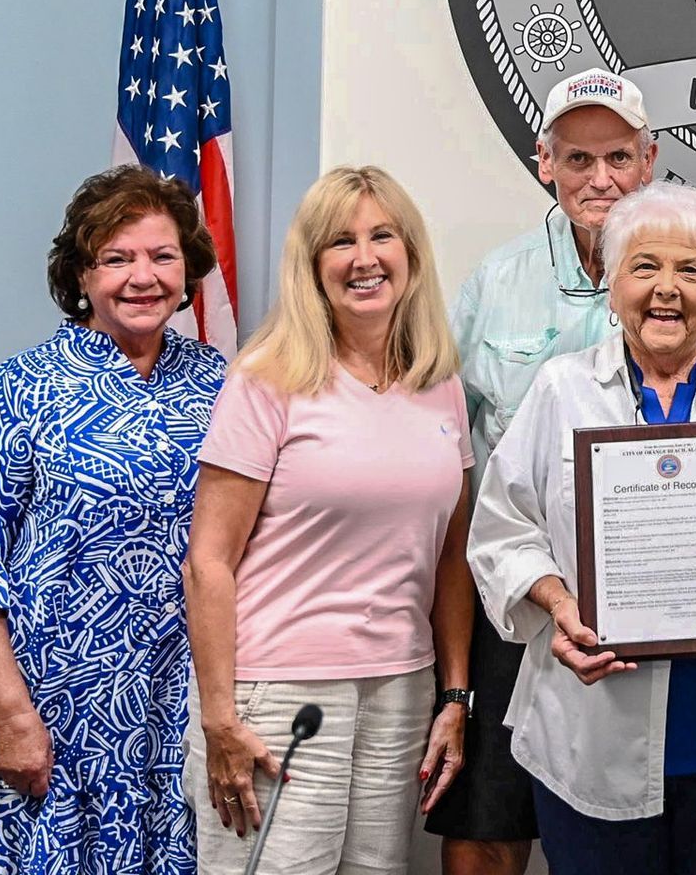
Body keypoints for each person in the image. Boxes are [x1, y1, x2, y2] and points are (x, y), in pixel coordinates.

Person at [436, 68, 696, 875]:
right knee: (491, 821)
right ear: (545, 162)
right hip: (526, 600)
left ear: (649, 160)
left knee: (643, 819)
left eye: (618, 157)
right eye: (578, 160)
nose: (600, 178)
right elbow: (458, 451)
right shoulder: (494, 283)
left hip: (672, 600)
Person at [468, 182, 696, 874]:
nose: (666, 290)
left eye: (691, 271)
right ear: (611, 286)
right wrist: (557, 604)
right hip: (592, 726)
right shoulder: (558, 391)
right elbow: (502, 532)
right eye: (644, 268)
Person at [0, 165, 227, 872]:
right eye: (118, 258)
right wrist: (9, 715)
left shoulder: (222, 384)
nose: (144, 276)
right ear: (81, 273)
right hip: (50, 715)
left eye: (163, 256)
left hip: (179, 715)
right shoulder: (23, 385)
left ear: (188, 270)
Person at [184, 166, 476, 874]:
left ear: (411, 252)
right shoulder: (267, 379)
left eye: (383, 236)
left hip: (400, 690)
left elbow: (450, 557)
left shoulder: (439, 383)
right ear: (312, 266)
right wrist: (220, 718)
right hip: (277, 694)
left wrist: (455, 693)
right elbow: (208, 561)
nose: (365, 258)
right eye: (341, 242)